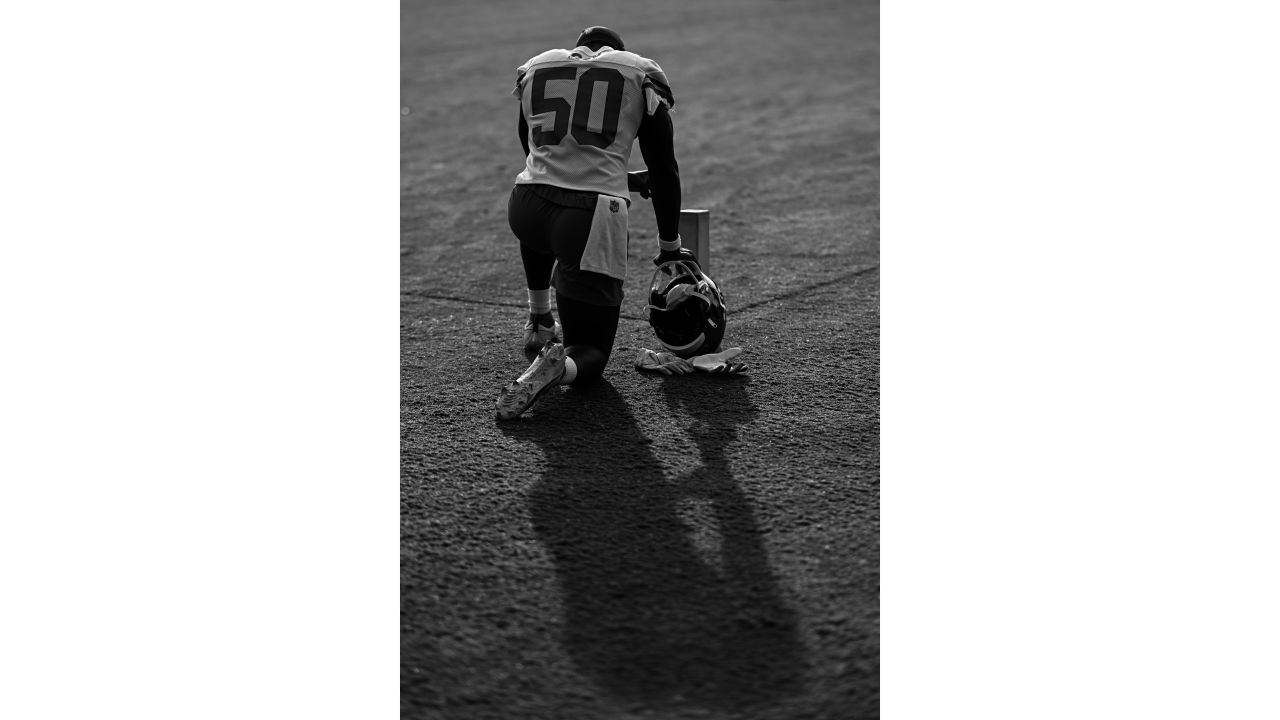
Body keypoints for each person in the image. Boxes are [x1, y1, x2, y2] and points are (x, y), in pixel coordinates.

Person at [497, 25, 698, 421]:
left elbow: (541, 155)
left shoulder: (539, 66)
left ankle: (539, 318)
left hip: (527, 205)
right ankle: (561, 368)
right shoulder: (639, 72)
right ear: (615, 50)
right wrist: (670, 247)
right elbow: (663, 168)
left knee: (544, 226)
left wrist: (619, 176)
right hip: (588, 218)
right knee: (590, 352)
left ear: (579, 51)